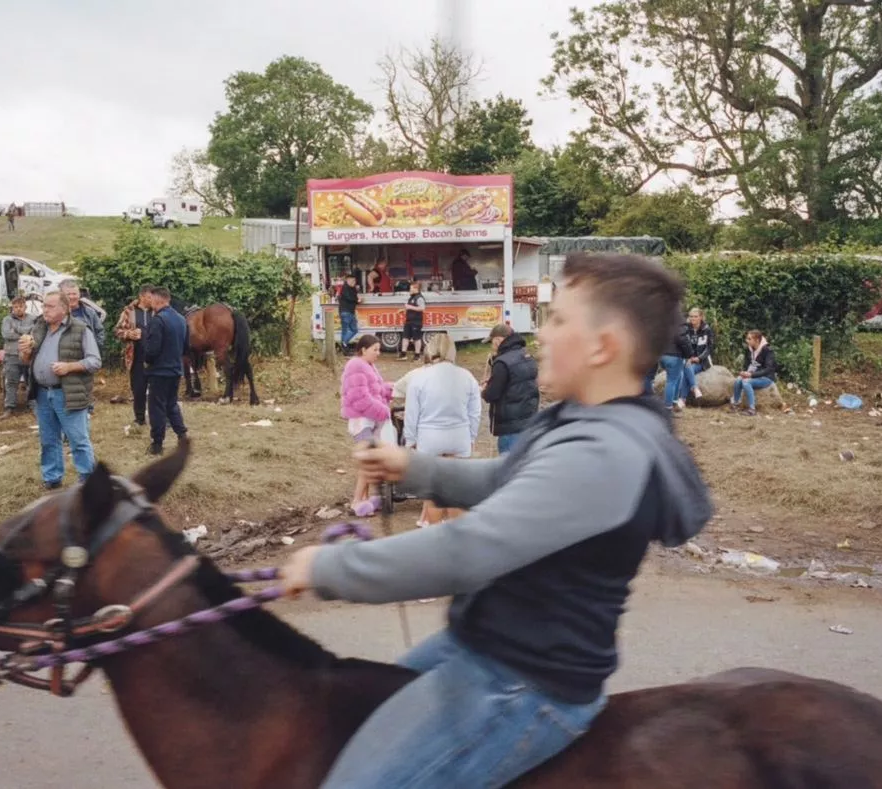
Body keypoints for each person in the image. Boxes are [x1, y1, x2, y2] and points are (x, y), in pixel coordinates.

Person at [281, 252, 712, 789]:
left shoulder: (605, 452)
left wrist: (330, 568)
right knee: (350, 722)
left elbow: (466, 550)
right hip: (486, 644)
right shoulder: (583, 420)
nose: (542, 335)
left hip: (524, 681)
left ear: (605, 346)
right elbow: (504, 481)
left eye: (558, 320)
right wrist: (413, 468)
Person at [20, 290, 100, 490]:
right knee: (48, 439)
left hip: (67, 393)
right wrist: (26, 353)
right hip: (42, 393)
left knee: (77, 438)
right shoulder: (39, 329)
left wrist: (69, 367)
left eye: (50, 306)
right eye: (44, 305)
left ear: (64, 309)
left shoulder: (80, 330)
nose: (44, 310)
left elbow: (94, 361)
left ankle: (88, 477)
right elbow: (27, 361)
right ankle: (52, 477)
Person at [403, 333, 481, 526]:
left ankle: (435, 534)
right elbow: (475, 412)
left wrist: (410, 440)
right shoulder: (466, 376)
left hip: (430, 437)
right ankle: (458, 536)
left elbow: (411, 413)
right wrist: (471, 436)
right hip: (459, 435)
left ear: (430, 350)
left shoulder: (420, 378)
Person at [340, 334, 394, 517]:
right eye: (375, 350)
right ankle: (357, 501)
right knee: (369, 461)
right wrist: (383, 411)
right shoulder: (356, 366)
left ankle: (364, 499)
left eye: (379, 349)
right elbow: (360, 398)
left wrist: (393, 388)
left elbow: (376, 389)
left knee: (370, 460)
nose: (378, 353)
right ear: (363, 349)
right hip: (361, 421)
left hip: (370, 421)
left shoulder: (368, 365)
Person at [143, 286, 189, 456]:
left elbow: (152, 350)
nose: (149, 302)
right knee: (171, 404)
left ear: (158, 300)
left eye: (151, 299)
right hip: (176, 369)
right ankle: (182, 435)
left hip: (159, 371)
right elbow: (186, 347)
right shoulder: (181, 319)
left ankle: (157, 444)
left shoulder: (158, 320)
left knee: (156, 407)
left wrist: (147, 362)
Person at [481, 323, 539, 454]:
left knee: (509, 468)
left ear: (498, 340)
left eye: (492, 342)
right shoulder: (526, 356)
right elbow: (514, 381)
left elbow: (492, 394)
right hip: (528, 421)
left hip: (510, 425)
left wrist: (484, 390)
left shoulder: (502, 363)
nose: (491, 346)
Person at [115, 285, 154, 426]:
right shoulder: (129, 312)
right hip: (136, 357)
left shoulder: (157, 311)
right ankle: (139, 418)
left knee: (157, 390)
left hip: (155, 358)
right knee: (138, 389)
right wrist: (128, 334)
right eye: (150, 297)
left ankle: (158, 417)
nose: (152, 299)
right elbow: (117, 330)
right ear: (142, 297)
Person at [645, 317, 693, 411]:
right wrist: (689, 354)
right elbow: (682, 339)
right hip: (674, 355)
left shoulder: (661, 320)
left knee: (678, 377)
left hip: (661, 354)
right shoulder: (679, 321)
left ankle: (674, 403)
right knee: (671, 381)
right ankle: (668, 407)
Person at [0, 295, 34, 417]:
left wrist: (17, 329)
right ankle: (9, 407)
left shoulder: (33, 319)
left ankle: (32, 405)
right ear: (12, 308)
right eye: (15, 307)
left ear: (25, 307)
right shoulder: (7, 320)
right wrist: (26, 333)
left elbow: (35, 332)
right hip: (12, 355)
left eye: (21, 306)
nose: (18, 309)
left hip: (29, 355)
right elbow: (6, 334)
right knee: (11, 382)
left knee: (31, 380)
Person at [731, 329, 777, 416]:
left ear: (757, 340)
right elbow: (746, 364)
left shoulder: (768, 350)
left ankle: (752, 409)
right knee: (738, 380)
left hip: (766, 377)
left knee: (746, 382)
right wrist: (744, 372)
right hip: (753, 375)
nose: (746, 341)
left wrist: (751, 375)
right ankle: (736, 404)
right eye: (747, 338)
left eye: (749, 339)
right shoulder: (749, 349)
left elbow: (768, 369)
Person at [678, 307, 714, 406]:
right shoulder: (686, 328)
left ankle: (682, 399)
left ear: (701, 317)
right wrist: (688, 357)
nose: (692, 319)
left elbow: (709, 348)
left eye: (695, 316)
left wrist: (699, 358)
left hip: (702, 360)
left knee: (687, 368)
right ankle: (695, 388)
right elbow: (683, 345)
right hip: (689, 358)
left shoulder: (706, 329)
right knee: (687, 367)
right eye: (691, 316)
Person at [58, 279, 105, 350]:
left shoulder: (90, 312)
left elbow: (99, 332)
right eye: (68, 294)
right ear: (61, 295)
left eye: (74, 294)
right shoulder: (55, 312)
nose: (71, 297)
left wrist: (94, 349)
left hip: (85, 356)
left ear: (79, 294)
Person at [399, 280, 426, 360]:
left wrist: (409, 307)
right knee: (405, 337)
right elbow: (410, 307)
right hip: (409, 321)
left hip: (416, 321)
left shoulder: (420, 298)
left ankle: (417, 355)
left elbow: (422, 308)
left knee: (416, 338)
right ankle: (403, 354)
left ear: (416, 289)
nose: (409, 290)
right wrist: (403, 310)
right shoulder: (411, 297)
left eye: (411, 288)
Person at [337, 272, 361, 354]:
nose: (354, 282)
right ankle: (344, 344)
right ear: (348, 280)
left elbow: (354, 298)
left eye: (355, 281)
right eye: (353, 281)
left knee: (346, 331)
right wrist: (357, 300)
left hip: (348, 312)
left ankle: (344, 348)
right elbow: (350, 298)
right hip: (346, 312)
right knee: (354, 330)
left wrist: (358, 300)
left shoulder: (352, 288)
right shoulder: (345, 288)